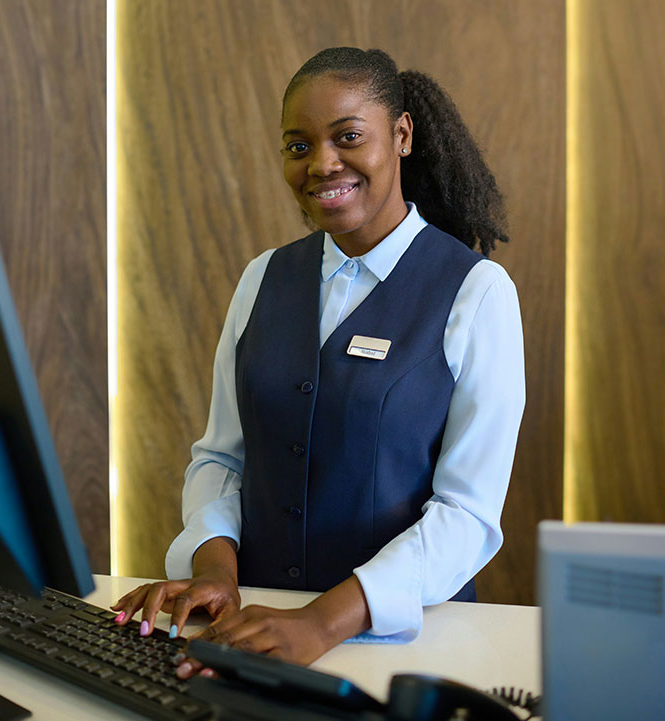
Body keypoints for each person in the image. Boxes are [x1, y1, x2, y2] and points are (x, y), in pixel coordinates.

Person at [111, 47, 525, 672]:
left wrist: (323, 622)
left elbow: (466, 515)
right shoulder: (263, 278)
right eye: (298, 146)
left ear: (402, 136)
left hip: (399, 646)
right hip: (251, 628)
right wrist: (216, 571)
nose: (322, 164)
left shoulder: (477, 291)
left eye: (348, 137)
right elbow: (222, 457)